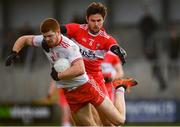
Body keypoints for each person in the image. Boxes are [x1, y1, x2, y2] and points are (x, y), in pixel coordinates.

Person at [5, 18, 127, 126]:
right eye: (45, 36)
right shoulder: (44, 41)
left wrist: (59, 75)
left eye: (50, 36)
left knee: (118, 121)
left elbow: (80, 69)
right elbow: (25, 39)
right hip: (70, 92)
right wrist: (14, 52)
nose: (47, 39)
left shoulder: (69, 47)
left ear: (58, 32)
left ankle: (120, 87)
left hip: (86, 87)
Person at [60, 2, 137, 125]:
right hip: (78, 80)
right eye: (93, 20)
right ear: (87, 19)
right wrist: (48, 38)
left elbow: (113, 46)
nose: (96, 24)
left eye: (99, 21)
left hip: (95, 82)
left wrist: (119, 51)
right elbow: (57, 30)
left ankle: (120, 87)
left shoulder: (106, 38)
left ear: (103, 20)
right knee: (82, 123)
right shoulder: (76, 29)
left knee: (110, 123)